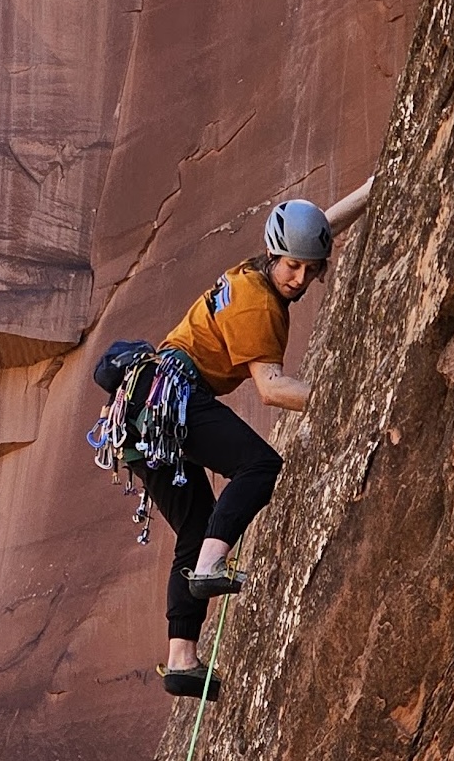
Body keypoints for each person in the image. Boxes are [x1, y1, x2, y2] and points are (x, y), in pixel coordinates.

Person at [96, 178, 372, 700]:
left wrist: (371, 189)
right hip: (169, 397)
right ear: (274, 257)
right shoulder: (257, 304)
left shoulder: (257, 266)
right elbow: (271, 390)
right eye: (293, 267)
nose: (299, 278)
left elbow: (317, 229)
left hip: (137, 414)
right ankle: (209, 567)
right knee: (260, 467)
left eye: (310, 271)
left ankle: (181, 659)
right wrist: (349, 396)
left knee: (197, 524)